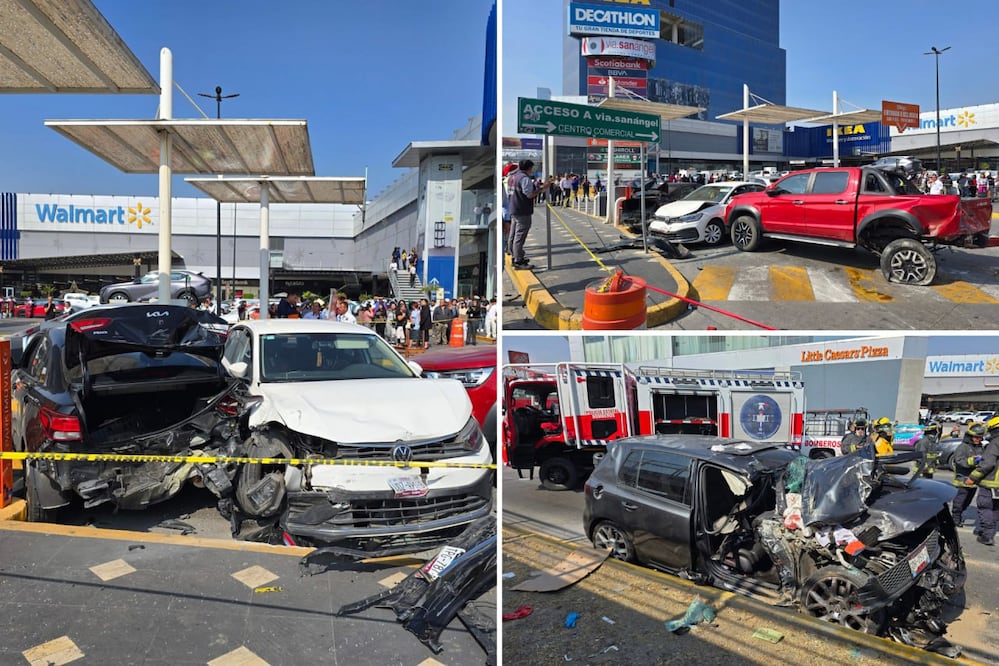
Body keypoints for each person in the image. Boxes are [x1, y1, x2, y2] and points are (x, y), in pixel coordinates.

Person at [966, 416, 999, 546]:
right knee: (996, 508)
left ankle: (987, 535)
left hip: (991, 482)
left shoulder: (995, 442)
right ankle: (987, 530)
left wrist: (972, 477)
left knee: (985, 507)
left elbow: (987, 464)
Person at [508, 159, 544, 269]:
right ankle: (518, 260)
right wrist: (541, 189)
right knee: (520, 235)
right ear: (529, 168)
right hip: (522, 210)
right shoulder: (524, 179)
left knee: (513, 234)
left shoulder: (512, 177)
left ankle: (514, 255)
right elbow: (529, 194)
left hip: (514, 208)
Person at [952, 421, 988, 527]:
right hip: (962, 480)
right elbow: (959, 461)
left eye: (980, 437)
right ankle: (955, 519)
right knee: (959, 502)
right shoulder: (963, 447)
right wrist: (973, 461)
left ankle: (959, 516)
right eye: (976, 437)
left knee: (967, 502)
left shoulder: (980, 447)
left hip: (974, 480)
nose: (978, 439)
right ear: (970, 436)